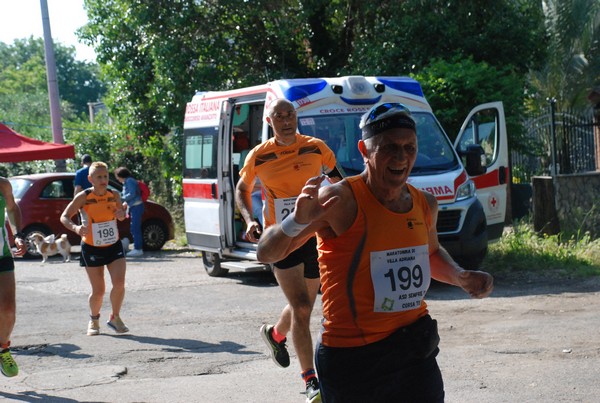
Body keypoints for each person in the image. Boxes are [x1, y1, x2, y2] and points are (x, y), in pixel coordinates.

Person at [256, 102, 494, 402]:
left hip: (414, 348)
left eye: (410, 147)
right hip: (353, 357)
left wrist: (460, 276)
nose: (401, 156)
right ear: (364, 150)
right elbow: (266, 253)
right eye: (389, 147)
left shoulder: (425, 203)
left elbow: (430, 253)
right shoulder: (340, 199)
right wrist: (296, 221)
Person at [236, 98, 342, 402]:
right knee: (302, 308)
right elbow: (242, 190)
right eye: (279, 116)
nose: (285, 120)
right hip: (281, 238)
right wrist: (249, 219)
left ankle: (275, 335)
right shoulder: (259, 155)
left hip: (313, 235)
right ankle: (311, 381)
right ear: (270, 121)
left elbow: (338, 182)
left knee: (305, 303)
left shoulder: (316, 147)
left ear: (297, 117)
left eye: (290, 114)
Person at [60, 162, 130, 336]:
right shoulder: (83, 197)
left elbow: (120, 215)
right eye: (99, 177)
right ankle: (94, 319)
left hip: (113, 244)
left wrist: (121, 214)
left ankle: (115, 317)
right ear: (90, 179)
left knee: (120, 284)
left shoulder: (114, 194)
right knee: (99, 290)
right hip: (91, 247)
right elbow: (65, 217)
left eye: (105, 176)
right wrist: (76, 229)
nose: (103, 180)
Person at [0, 178, 27, 377]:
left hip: (2, 254)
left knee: (8, 309)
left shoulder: (2, 185)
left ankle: (4, 348)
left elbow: (11, 208)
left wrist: (18, 234)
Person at [114, 167, 144, 258]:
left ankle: (138, 249)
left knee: (135, 228)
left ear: (120, 175)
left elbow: (132, 194)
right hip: (134, 206)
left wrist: (121, 199)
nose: (117, 179)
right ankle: (137, 247)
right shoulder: (128, 181)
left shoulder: (129, 181)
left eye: (117, 176)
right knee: (134, 227)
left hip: (136, 206)